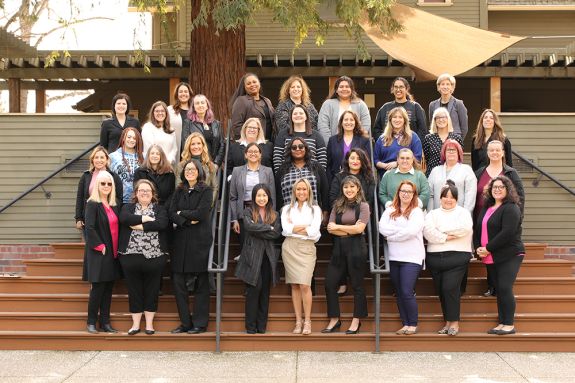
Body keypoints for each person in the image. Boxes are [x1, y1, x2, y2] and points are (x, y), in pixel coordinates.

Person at [474, 140, 525, 297]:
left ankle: (499, 287)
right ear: (487, 153)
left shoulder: (510, 172)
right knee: (487, 250)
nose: (495, 153)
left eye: (498, 150)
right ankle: (492, 285)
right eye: (491, 150)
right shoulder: (480, 172)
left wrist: (516, 219)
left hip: (504, 220)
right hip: (483, 217)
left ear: (503, 152)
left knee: (497, 247)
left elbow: (520, 196)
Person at [474, 176, 524, 335]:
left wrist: (487, 248)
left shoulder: (511, 208)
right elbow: (478, 228)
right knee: (499, 289)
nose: (497, 189)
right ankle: (502, 323)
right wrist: (478, 248)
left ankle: (509, 324)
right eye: (494, 187)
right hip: (491, 254)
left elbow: (507, 233)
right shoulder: (487, 207)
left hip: (509, 253)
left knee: (504, 287)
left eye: (501, 187)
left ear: (508, 190)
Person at [169, 159, 214, 334]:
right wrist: (187, 220)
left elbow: (202, 213)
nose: (190, 172)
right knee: (178, 282)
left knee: (201, 284)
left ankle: (200, 323)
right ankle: (185, 323)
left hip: (199, 241)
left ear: (199, 172)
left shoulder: (206, 190)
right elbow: (172, 212)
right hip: (180, 241)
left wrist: (182, 214)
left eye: (193, 169)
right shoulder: (179, 191)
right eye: (187, 169)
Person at [118, 179, 168, 335]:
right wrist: (146, 219)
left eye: (148, 190)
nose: (145, 193)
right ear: (136, 193)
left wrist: (138, 225)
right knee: (134, 290)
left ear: (153, 194)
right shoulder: (127, 207)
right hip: (130, 256)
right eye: (141, 190)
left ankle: (149, 325)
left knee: (152, 290)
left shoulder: (160, 209)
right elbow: (124, 219)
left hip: (155, 257)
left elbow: (161, 224)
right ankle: (135, 325)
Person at [423, 180, 473, 336]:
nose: (448, 200)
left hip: (457, 256)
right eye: (445, 196)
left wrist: (440, 232)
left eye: (452, 197)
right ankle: (447, 322)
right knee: (441, 291)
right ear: (440, 198)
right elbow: (428, 232)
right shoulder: (432, 214)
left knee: (449, 289)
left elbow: (464, 228)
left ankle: (455, 323)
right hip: (435, 258)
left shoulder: (463, 213)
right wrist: (446, 236)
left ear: (456, 199)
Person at [323, 176, 369, 334]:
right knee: (330, 283)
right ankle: (335, 319)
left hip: (357, 248)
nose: (349, 190)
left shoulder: (363, 206)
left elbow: (360, 229)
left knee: (357, 285)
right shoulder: (337, 205)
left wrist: (339, 227)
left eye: (352, 187)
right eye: (346, 187)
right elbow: (330, 228)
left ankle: (356, 321)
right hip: (339, 247)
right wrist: (349, 228)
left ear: (357, 188)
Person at [378, 180, 425, 335]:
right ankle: (405, 323)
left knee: (406, 290)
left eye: (409, 192)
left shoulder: (417, 211)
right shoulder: (390, 209)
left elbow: (411, 232)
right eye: (403, 191)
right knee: (398, 291)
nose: (405, 194)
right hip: (394, 257)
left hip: (412, 258)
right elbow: (382, 228)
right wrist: (399, 231)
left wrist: (392, 237)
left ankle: (413, 323)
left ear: (414, 195)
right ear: (398, 192)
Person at [234, 184, 281, 334]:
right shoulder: (248, 211)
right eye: (259, 195)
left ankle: (262, 326)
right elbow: (249, 227)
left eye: (264, 195)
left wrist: (261, 229)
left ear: (268, 197)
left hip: (268, 256)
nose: (262, 198)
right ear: (254, 197)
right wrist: (268, 228)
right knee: (255, 288)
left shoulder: (275, 214)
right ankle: (250, 326)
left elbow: (276, 234)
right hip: (252, 255)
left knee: (265, 291)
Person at [281, 178, 322, 335]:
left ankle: (308, 321)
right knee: (294, 285)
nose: (301, 192)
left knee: (305, 285)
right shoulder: (286, 209)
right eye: (298, 189)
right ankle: (298, 320)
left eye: (304, 189)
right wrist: (305, 227)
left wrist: (295, 227)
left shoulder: (315, 209)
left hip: (307, 248)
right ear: (294, 191)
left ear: (309, 191)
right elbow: (285, 230)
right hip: (290, 247)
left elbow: (315, 231)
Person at [83, 171, 122, 334]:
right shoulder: (92, 204)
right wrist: (100, 245)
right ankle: (91, 321)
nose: (106, 186)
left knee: (108, 288)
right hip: (99, 251)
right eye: (103, 183)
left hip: (113, 253)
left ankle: (105, 322)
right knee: (98, 288)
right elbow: (89, 227)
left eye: (109, 184)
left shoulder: (115, 204)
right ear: (97, 185)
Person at [230, 143, 275, 255]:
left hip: (263, 211)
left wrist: (271, 215)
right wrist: (234, 219)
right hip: (245, 211)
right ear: (245, 155)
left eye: (256, 152)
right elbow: (233, 197)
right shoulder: (237, 171)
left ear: (260, 155)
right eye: (250, 151)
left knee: (261, 246)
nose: (253, 154)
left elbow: (272, 195)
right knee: (246, 246)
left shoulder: (268, 171)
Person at [275, 137, 329, 220]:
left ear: (306, 149)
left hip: (313, 214)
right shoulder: (282, 169)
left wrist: (325, 212)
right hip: (289, 215)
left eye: (301, 146)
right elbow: (278, 195)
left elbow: (325, 190)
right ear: (290, 150)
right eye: (294, 147)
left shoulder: (316, 167)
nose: (297, 149)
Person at [75, 146, 123, 233]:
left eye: (102, 157)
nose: (99, 160)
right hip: (89, 217)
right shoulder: (86, 176)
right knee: (92, 243)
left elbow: (119, 199)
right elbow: (80, 197)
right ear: (92, 160)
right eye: (96, 157)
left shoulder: (114, 177)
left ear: (107, 159)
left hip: (108, 219)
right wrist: (78, 218)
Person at [317, 76, 371, 144]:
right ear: (336, 90)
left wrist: (357, 143)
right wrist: (331, 144)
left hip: (356, 147)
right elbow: (323, 126)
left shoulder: (360, 104)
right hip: (333, 146)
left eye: (347, 86)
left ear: (352, 89)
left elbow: (366, 125)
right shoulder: (328, 104)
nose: (344, 89)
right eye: (341, 87)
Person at [273, 105, 327, 173]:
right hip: (288, 176)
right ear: (291, 117)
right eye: (295, 113)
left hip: (312, 176)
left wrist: (319, 176)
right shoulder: (282, 134)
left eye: (301, 113)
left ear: (306, 116)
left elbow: (322, 159)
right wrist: (280, 175)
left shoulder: (317, 135)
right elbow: (277, 158)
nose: (298, 115)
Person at [374, 106, 423, 179]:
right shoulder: (382, 138)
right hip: (385, 177)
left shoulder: (413, 137)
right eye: (394, 117)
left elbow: (417, 158)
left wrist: (397, 164)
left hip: (407, 178)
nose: (397, 120)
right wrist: (384, 166)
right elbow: (375, 159)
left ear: (405, 120)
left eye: (400, 117)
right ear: (390, 120)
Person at [427, 140, 476, 212]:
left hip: (459, 217)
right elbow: (430, 195)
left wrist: (465, 214)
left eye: (454, 150)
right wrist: (430, 214)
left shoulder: (466, 170)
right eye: (448, 150)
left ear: (459, 153)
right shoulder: (435, 170)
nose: (451, 152)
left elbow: (470, 195)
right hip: (437, 217)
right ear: (444, 153)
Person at [326, 110, 371, 182]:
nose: (348, 122)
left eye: (351, 120)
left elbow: (368, 163)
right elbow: (329, 165)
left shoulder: (364, 140)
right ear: (341, 123)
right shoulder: (332, 140)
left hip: (358, 181)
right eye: (346, 120)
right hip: (337, 181)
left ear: (355, 122)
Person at [182, 94, 225, 168]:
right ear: (193, 107)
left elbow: (221, 144)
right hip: (195, 165)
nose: (200, 105)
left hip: (213, 164)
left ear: (207, 106)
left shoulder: (216, 124)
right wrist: (193, 164)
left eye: (202, 102)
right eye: (197, 103)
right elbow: (185, 144)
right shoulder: (188, 123)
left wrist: (216, 163)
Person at [231, 73, 275, 140]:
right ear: (245, 87)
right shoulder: (241, 101)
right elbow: (236, 125)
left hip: (268, 142)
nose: (252, 85)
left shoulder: (267, 101)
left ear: (259, 83)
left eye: (254, 82)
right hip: (250, 144)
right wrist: (250, 140)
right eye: (248, 83)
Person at [422, 107, 464, 177]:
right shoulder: (428, 138)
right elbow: (427, 159)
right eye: (438, 117)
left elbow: (459, 159)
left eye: (443, 117)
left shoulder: (457, 138)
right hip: (433, 176)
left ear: (448, 119)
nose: (441, 120)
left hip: (453, 175)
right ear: (434, 120)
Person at [181, 132, 218, 203]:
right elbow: (179, 188)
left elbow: (214, 187)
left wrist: (208, 204)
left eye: (199, 143)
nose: (196, 147)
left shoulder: (210, 165)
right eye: (193, 144)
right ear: (188, 146)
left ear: (203, 146)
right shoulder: (181, 166)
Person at [428, 73, 469, 139]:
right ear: (439, 87)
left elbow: (464, 127)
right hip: (437, 140)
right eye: (442, 84)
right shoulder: (432, 105)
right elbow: (432, 124)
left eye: (448, 84)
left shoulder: (459, 104)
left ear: (452, 87)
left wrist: (458, 141)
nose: (445, 87)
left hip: (454, 140)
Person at [109, 127, 144, 204]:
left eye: (134, 138)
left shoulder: (142, 157)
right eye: (129, 137)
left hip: (139, 200)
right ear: (123, 138)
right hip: (119, 200)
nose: (131, 140)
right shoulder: (113, 157)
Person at [141, 101, 177, 166]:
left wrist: (169, 161)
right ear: (153, 113)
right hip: (153, 165)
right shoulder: (148, 127)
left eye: (162, 111)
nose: (160, 113)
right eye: (157, 111)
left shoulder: (171, 129)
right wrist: (161, 162)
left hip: (168, 165)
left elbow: (174, 149)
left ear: (166, 113)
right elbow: (150, 148)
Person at [167, 82, 193, 161]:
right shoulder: (170, 110)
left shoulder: (194, 111)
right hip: (175, 148)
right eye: (180, 92)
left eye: (186, 91)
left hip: (192, 148)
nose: (183, 94)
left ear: (190, 94)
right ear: (177, 94)